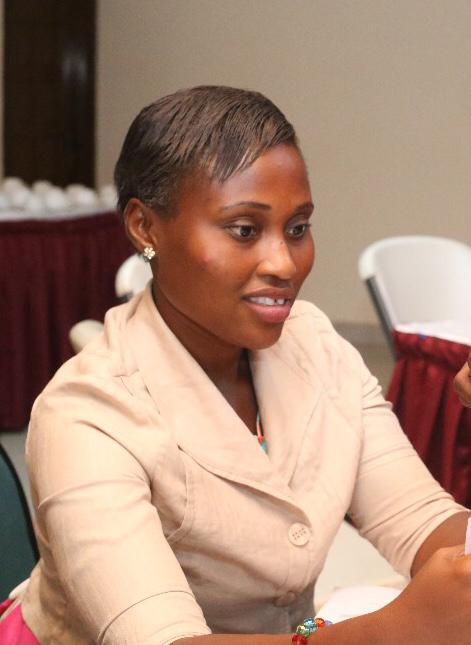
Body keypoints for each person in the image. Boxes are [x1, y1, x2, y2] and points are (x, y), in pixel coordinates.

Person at [1, 86, 471, 645]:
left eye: (298, 229)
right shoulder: (85, 416)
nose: (284, 262)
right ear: (144, 228)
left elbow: (422, 523)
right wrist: (393, 631)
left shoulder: (316, 344)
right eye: (244, 230)